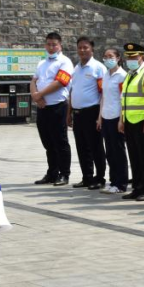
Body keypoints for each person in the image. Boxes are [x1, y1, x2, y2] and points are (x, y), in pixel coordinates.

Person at [29, 32, 73, 186]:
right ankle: (52, 173)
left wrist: (40, 94)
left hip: (58, 107)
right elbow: (33, 80)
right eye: (48, 44)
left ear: (60, 45)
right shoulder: (42, 63)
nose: (51, 47)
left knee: (60, 141)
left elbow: (60, 82)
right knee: (47, 142)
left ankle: (64, 174)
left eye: (54, 44)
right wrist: (36, 96)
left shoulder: (65, 62)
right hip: (43, 107)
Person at [120, 43, 144, 201]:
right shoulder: (129, 74)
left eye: (133, 56)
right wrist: (122, 120)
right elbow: (125, 99)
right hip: (130, 120)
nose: (130, 59)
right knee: (134, 156)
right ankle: (137, 187)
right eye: (128, 56)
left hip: (143, 120)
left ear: (141, 56)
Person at [68, 37, 107, 189]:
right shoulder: (76, 69)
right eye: (80, 47)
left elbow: (104, 93)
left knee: (95, 146)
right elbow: (72, 92)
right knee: (82, 146)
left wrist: (100, 116)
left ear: (92, 49)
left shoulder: (98, 68)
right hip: (78, 113)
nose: (82, 50)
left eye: (86, 47)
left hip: (93, 112)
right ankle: (87, 177)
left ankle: (100, 177)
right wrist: (69, 113)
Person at [97, 47, 129, 195]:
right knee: (109, 151)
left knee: (118, 151)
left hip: (117, 116)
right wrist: (99, 117)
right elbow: (103, 97)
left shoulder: (122, 75)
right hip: (106, 116)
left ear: (118, 58)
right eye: (105, 56)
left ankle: (121, 183)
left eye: (110, 56)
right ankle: (113, 181)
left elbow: (123, 99)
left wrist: (122, 119)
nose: (107, 59)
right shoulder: (105, 75)